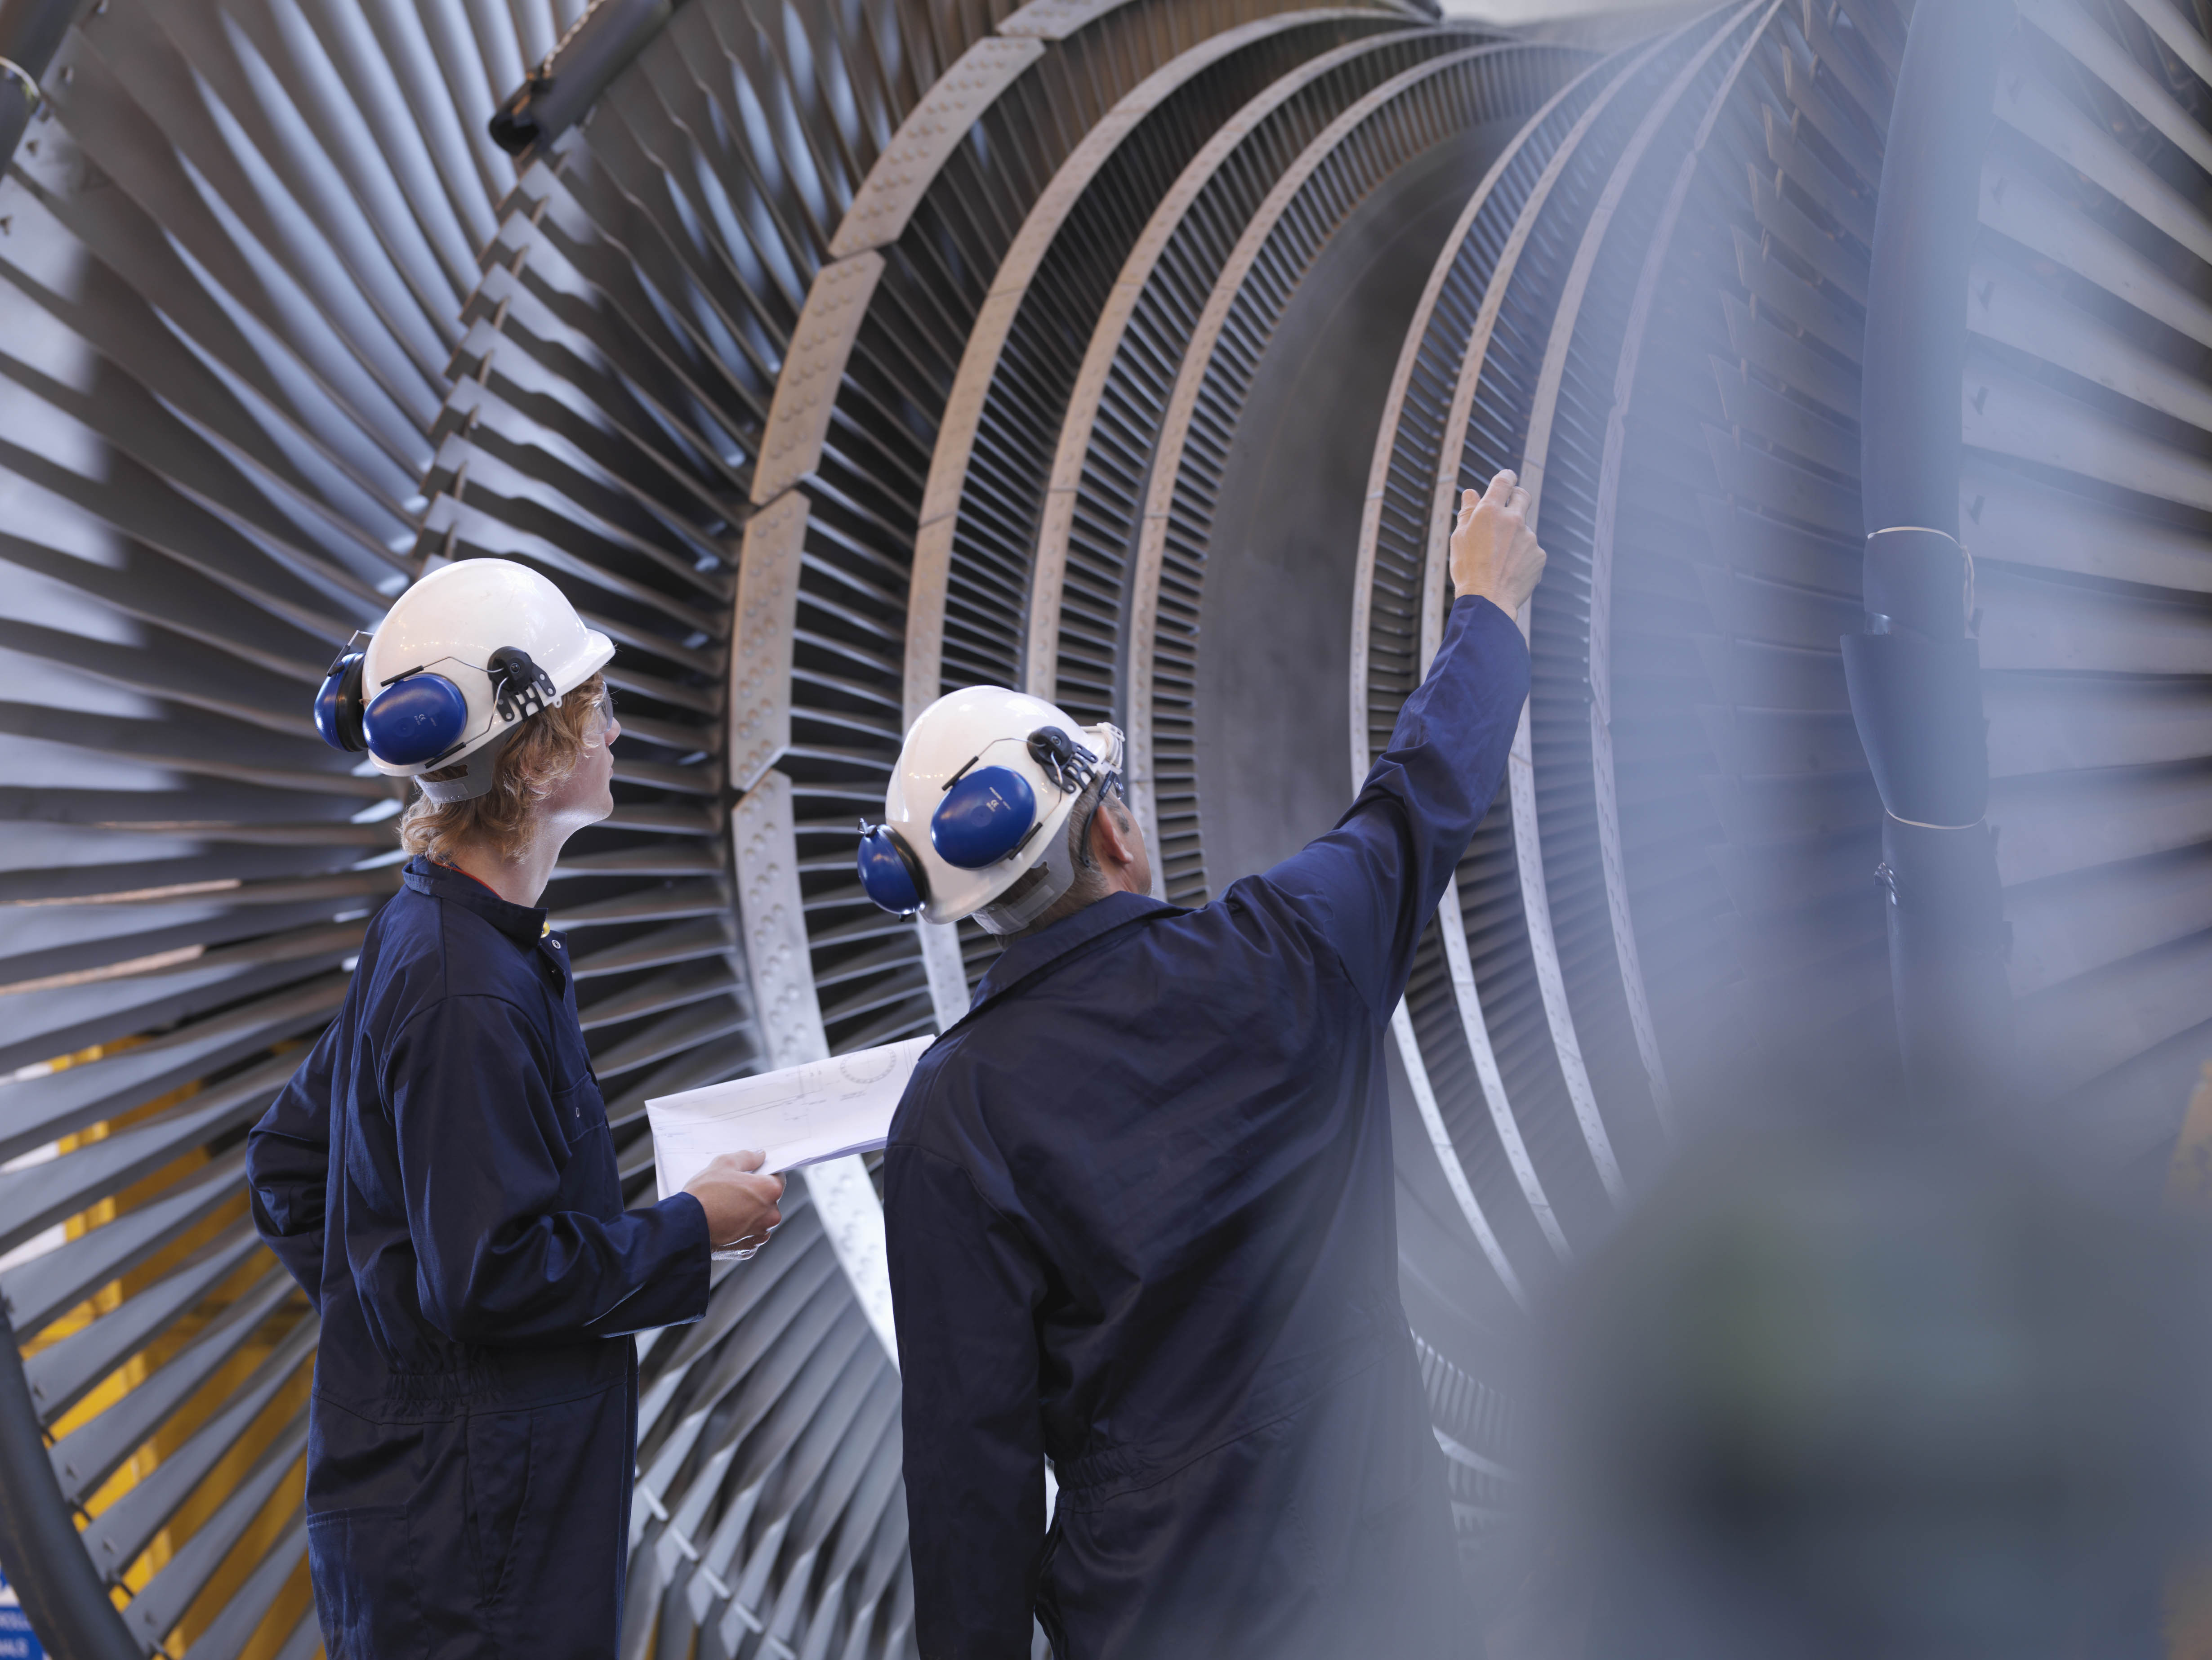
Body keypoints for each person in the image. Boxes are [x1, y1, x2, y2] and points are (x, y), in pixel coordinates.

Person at [856, 471, 1546, 1658]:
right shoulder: (1288, 953)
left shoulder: (954, 1117)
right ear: (1111, 826)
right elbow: (1420, 795)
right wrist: (1488, 603)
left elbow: (973, 1478)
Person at [246, 558, 785, 1659]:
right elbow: (490, 1271)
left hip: (446, 1511)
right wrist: (694, 1227)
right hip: (470, 1548)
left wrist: (403, 1355)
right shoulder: (465, 991)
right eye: (598, 714)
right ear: (537, 764)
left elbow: (290, 1165)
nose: (617, 735)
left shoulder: (436, 940)